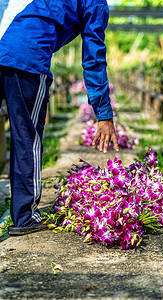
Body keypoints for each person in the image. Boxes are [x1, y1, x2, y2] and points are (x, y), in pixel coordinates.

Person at [0, 0, 119, 235]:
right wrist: (104, 114)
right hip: (26, 55)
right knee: (27, 137)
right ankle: (24, 217)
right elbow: (93, 57)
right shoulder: (95, 2)